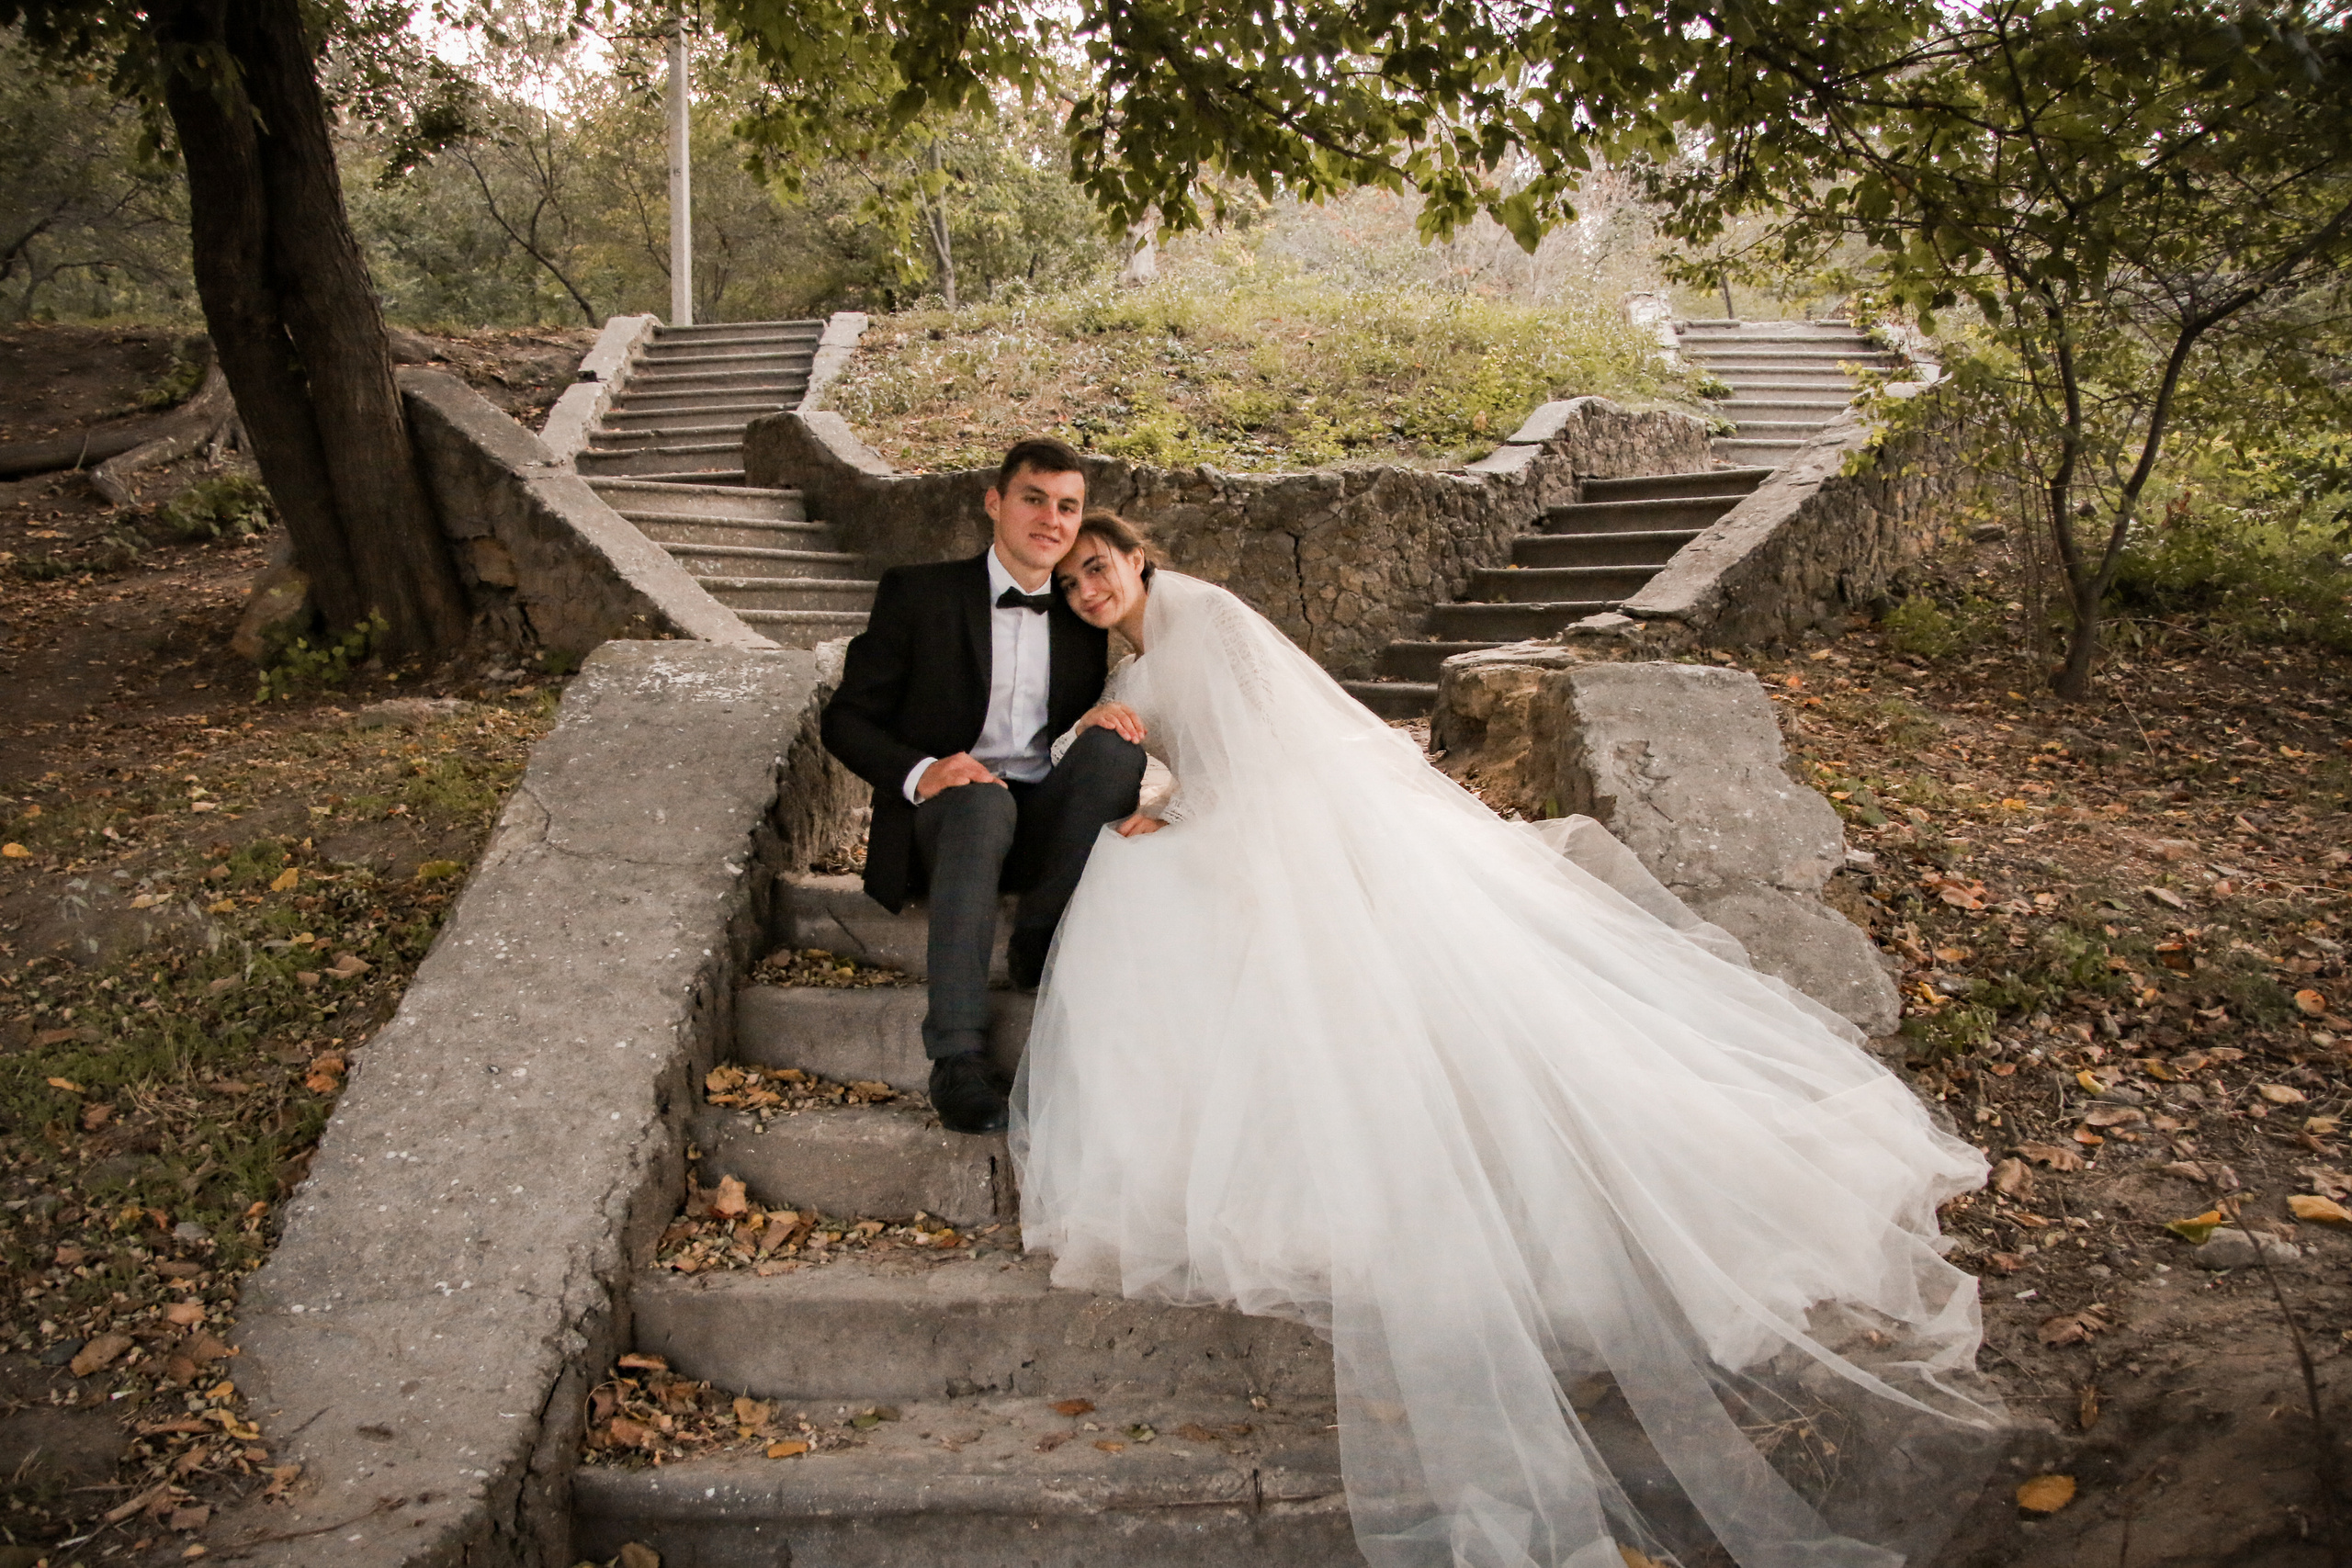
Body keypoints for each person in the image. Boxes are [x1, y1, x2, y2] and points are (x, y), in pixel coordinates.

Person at [1014, 514, 2008, 1568]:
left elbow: (1269, 746)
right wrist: (1159, 797)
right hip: (1245, 818)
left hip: (1290, 826)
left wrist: (1183, 814)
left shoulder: (1203, 616)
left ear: (1139, 559)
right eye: (1070, 580)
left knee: (1149, 894)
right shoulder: (1147, 652)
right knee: (1142, 881)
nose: (1087, 587)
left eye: (1098, 566)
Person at [819, 441, 1145, 1134]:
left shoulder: (1084, 614)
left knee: (1116, 754)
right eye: (1034, 498)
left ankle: (1038, 940)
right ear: (995, 502)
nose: (1051, 519)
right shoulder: (918, 592)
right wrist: (921, 771)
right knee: (977, 797)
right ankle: (958, 1057)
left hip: (1044, 825)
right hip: (953, 820)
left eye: (1068, 506)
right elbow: (845, 718)